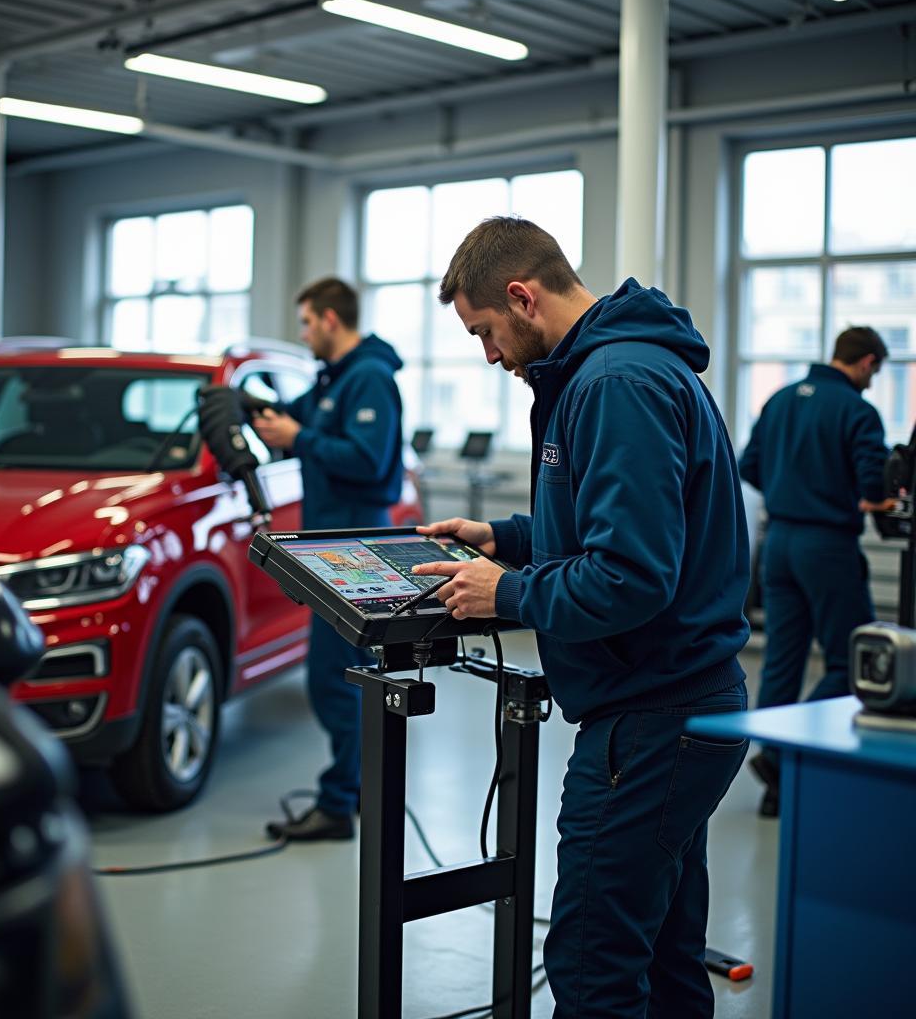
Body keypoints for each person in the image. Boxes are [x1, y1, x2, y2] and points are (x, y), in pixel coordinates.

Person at [410, 217, 751, 1019]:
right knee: (666, 956)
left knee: (594, 963)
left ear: (522, 298)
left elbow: (631, 576)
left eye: (485, 332)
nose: (488, 355)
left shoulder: (614, 385)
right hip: (680, 709)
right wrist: (510, 540)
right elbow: (612, 528)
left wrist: (509, 593)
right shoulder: (616, 371)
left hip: (651, 719)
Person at [252, 277, 404, 842]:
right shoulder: (331, 381)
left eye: (307, 322)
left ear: (331, 320)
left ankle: (338, 804)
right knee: (342, 676)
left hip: (356, 552)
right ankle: (358, 788)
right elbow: (293, 420)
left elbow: (368, 459)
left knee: (335, 679)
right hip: (328, 550)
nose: (304, 333)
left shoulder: (369, 379)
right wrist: (254, 410)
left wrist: (299, 435)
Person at [738, 326, 892, 817]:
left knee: (783, 662)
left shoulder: (780, 400)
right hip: (827, 546)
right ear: (867, 363)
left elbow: (750, 465)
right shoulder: (858, 411)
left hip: (777, 543)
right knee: (853, 663)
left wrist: (793, 489)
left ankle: (774, 778)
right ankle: (782, 755)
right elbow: (873, 488)